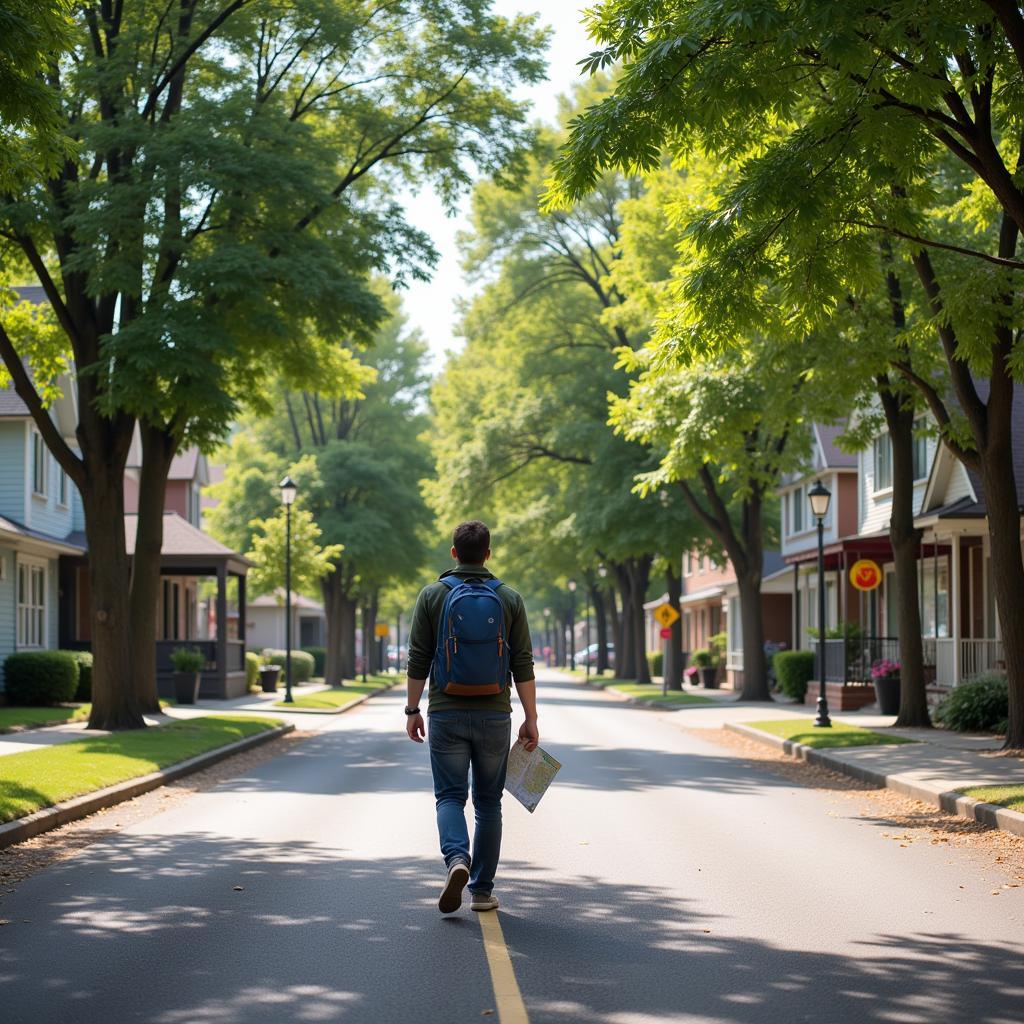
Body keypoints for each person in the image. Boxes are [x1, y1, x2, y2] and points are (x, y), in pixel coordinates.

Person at [405, 520, 538, 915]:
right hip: (495, 714)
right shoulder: (510, 598)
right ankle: (481, 892)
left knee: (449, 796)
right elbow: (522, 662)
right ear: (488, 554)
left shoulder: (432, 595)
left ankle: (456, 860)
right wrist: (530, 717)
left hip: (446, 711)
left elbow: (418, 658)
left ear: (453, 553)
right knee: (488, 803)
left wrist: (413, 709)